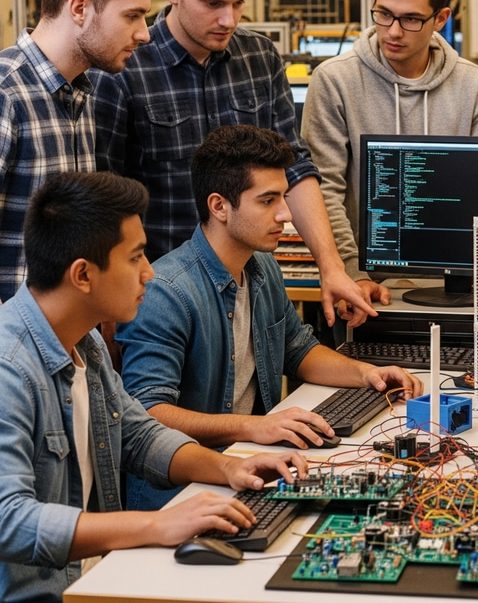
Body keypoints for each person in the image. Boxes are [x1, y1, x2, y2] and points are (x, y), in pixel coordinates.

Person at [0, 170, 307, 603]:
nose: (148, 273)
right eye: (135, 258)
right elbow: (8, 521)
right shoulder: (9, 369)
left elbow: (138, 436)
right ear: (83, 275)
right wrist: (157, 525)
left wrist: (228, 468)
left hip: (94, 580)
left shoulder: (86, 344)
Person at [115, 124, 423, 511]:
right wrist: (255, 426)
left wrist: (368, 374)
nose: (286, 214)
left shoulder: (261, 265)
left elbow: (299, 350)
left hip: (248, 464)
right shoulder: (167, 293)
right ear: (219, 206)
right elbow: (149, 414)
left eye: (284, 197)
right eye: (267, 201)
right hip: (183, 495)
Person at [91, 0, 375, 329]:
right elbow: (106, 199)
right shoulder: (124, 67)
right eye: (213, 4)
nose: (229, 19)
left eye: (239, 3)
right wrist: (108, 313)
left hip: (250, 290)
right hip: (158, 299)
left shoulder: (259, 56)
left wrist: (331, 267)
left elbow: (295, 166)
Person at [301, 0, 478, 313]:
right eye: (384, 14)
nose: (393, 31)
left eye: (411, 19)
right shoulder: (334, 80)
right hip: (363, 286)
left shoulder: (472, 84)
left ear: (441, 18)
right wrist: (351, 273)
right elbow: (324, 189)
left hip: (456, 285)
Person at [0, 0, 161, 302]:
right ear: (79, 9)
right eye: (132, 16)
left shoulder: (80, 93)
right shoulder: (7, 92)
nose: (144, 34)